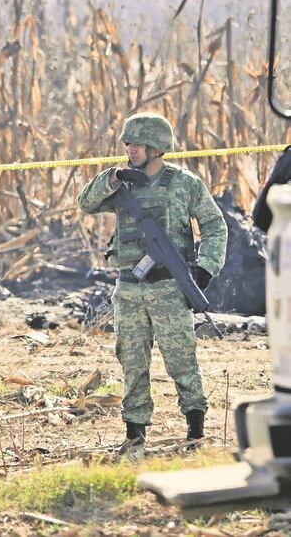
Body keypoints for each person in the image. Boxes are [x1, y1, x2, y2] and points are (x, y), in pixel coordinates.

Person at [77, 112, 227, 445]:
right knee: (131, 362)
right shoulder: (121, 183)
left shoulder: (184, 183)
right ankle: (135, 433)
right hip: (129, 288)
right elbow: (85, 203)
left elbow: (215, 226)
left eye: (138, 144)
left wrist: (205, 268)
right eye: (128, 143)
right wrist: (112, 178)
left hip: (169, 287)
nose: (130, 149)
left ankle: (195, 430)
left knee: (181, 360)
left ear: (157, 147)